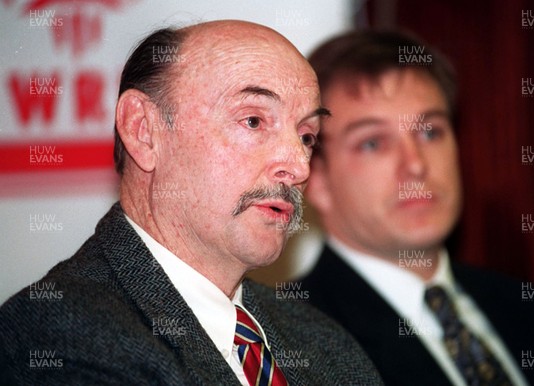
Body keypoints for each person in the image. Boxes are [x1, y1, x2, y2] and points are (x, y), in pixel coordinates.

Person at [0, 21, 384, 386]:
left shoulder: (326, 343)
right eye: (253, 121)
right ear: (144, 132)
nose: (299, 167)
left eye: (306, 137)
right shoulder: (59, 332)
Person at [300, 29, 534, 386]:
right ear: (315, 178)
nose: (415, 164)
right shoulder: (293, 340)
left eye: (430, 132)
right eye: (373, 142)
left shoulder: (526, 310)